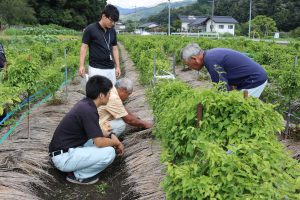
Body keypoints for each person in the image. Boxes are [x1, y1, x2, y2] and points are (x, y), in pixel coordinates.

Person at [49, 75, 124, 185]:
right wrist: (116, 142)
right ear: (101, 95)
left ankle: (78, 168)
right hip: (63, 158)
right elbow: (99, 142)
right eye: (108, 93)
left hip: (67, 150)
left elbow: (97, 131)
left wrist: (110, 134)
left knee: (107, 142)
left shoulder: (86, 104)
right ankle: (78, 175)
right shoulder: (88, 110)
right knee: (109, 152)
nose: (110, 95)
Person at [181, 43, 268, 98]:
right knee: (238, 104)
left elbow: (221, 88)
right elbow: (225, 84)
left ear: (194, 59)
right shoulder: (210, 56)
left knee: (243, 109)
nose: (190, 67)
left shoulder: (210, 60)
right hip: (251, 79)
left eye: (189, 64)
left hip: (255, 79)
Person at [79, 4, 121, 85]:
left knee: (111, 92)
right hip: (96, 68)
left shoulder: (112, 31)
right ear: (104, 16)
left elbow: (115, 49)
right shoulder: (90, 29)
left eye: (114, 22)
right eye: (111, 20)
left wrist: (118, 66)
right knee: (97, 94)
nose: (113, 23)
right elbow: (84, 47)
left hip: (110, 68)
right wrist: (81, 65)